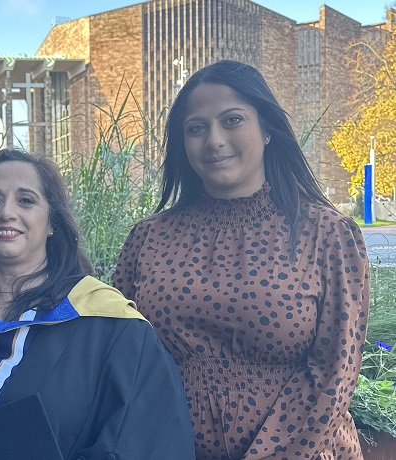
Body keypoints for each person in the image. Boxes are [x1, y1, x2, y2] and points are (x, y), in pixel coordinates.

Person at [113, 60, 370, 460]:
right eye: (196, 127)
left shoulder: (328, 235)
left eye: (232, 120)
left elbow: (333, 375)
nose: (213, 140)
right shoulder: (148, 238)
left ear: (267, 129)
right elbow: (120, 356)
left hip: (301, 450)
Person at [0, 148, 195, 460]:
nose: (6, 212)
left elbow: (148, 441)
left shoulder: (112, 329)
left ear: (52, 223)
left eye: (26, 200)